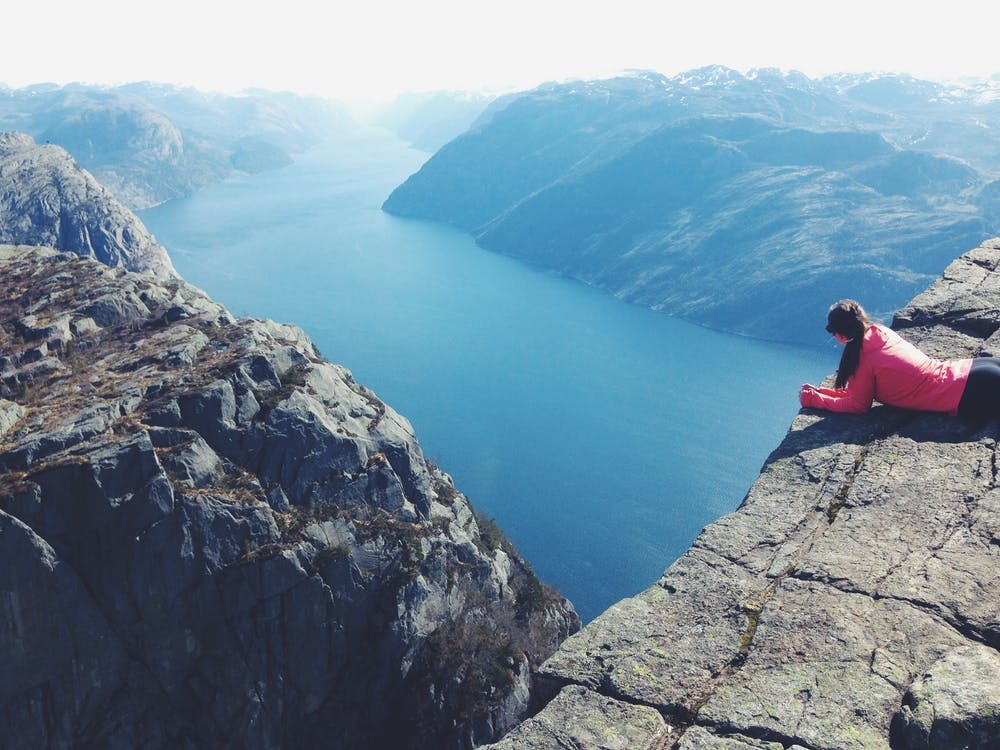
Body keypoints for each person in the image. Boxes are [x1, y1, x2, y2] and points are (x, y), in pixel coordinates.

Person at [799, 299, 1000, 418]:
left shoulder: (861, 358)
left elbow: (859, 406)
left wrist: (816, 400)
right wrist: (831, 394)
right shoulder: (880, 332)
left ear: (840, 335)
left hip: (966, 391)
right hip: (973, 370)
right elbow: (861, 391)